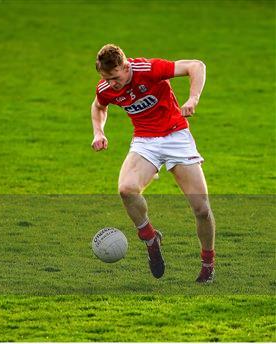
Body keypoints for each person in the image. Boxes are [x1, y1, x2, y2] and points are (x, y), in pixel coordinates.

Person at [90, 44, 216, 283]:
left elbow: (196, 66)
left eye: (116, 78)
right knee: (126, 189)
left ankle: (208, 263)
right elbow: (98, 106)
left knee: (201, 208)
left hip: (176, 136)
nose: (112, 84)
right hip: (145, 141)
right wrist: (98, 132)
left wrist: (193, 98)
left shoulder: (148, 69)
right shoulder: (106, 87)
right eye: (107, 78)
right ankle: (150, 238)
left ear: (126, 67)